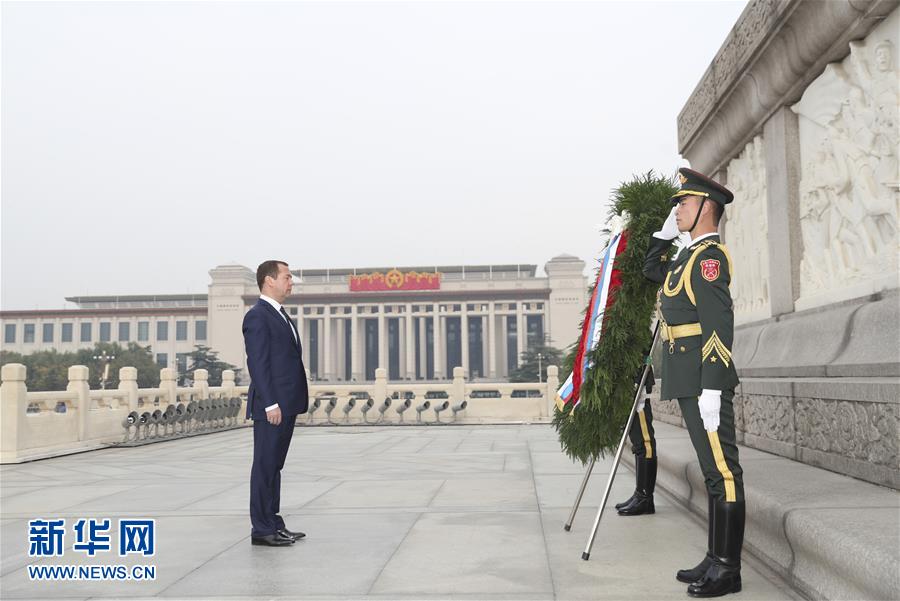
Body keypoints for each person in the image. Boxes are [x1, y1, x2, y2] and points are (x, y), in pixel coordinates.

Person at [643, 168, 744, 598]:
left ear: (708, 207)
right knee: (710, 471)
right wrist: (663, 235)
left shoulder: (708, 260)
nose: (677, 209)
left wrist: (714, 387)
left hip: (704, 379)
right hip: (687, 376)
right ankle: (714, 556)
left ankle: (728, 569)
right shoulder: (686, 256)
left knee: (724, 471)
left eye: (683, 203)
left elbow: (719, 325)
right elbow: (652, 272)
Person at [243, 260, 309, 547]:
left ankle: (273, 522)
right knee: (264, 465)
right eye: (287, 276)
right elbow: (257, 363)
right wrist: (270, 403)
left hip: (286, 403)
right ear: (269, 281)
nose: (291, 281)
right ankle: (261, 529)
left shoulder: (280, 314)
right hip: (272, 406)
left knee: (274, 466)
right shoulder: (257, 316)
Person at [614, 364, 657, 516]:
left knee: (645, 442)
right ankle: (639, 493)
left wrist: (639, 380)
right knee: (638, 442)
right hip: (628, 378)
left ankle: (645, 498)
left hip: (638, 377)